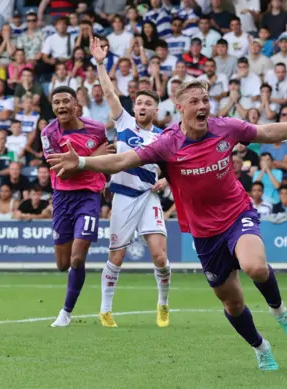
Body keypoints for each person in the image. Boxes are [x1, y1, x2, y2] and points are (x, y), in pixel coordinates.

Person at [48, 79, 287, 370]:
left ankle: (280, 311)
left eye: (205, 100)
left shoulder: (225, 127)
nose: (202, 105)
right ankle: (261, 348)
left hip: (237, 214)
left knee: (255, 266)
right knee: (233, 304)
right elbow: (120, 161)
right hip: (205, 234)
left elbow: (268, 131)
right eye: (194, 101)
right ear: (180, 107)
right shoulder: (168, 144)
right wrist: (84, 163)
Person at [91, 37, 171, 328]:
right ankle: (105, 309)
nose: (141, 106)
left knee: (160, 257)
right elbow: (110, 91)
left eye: (148, 103)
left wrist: (164, 181)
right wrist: (100, 63)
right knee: (117, 256)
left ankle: (163, 305)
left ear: (155, 110)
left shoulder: (163, 137)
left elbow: (173, 168)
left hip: (148, 197)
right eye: (138, 102)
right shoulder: (123, 122)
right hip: (123, 196)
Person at [41, 85, 110, 328]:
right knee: (63, 264)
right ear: (53, 107)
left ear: (75, 104)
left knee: (78, 257)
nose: (61, 106)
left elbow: (109, 158)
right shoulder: (49, 134)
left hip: (88, 197)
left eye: (66, 101)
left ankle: (66, 312)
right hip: (62, 198)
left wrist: (95, 164)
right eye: (57, 102)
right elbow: (64, 173)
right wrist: (93, 158)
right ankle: (68, 300)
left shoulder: (97, 130)